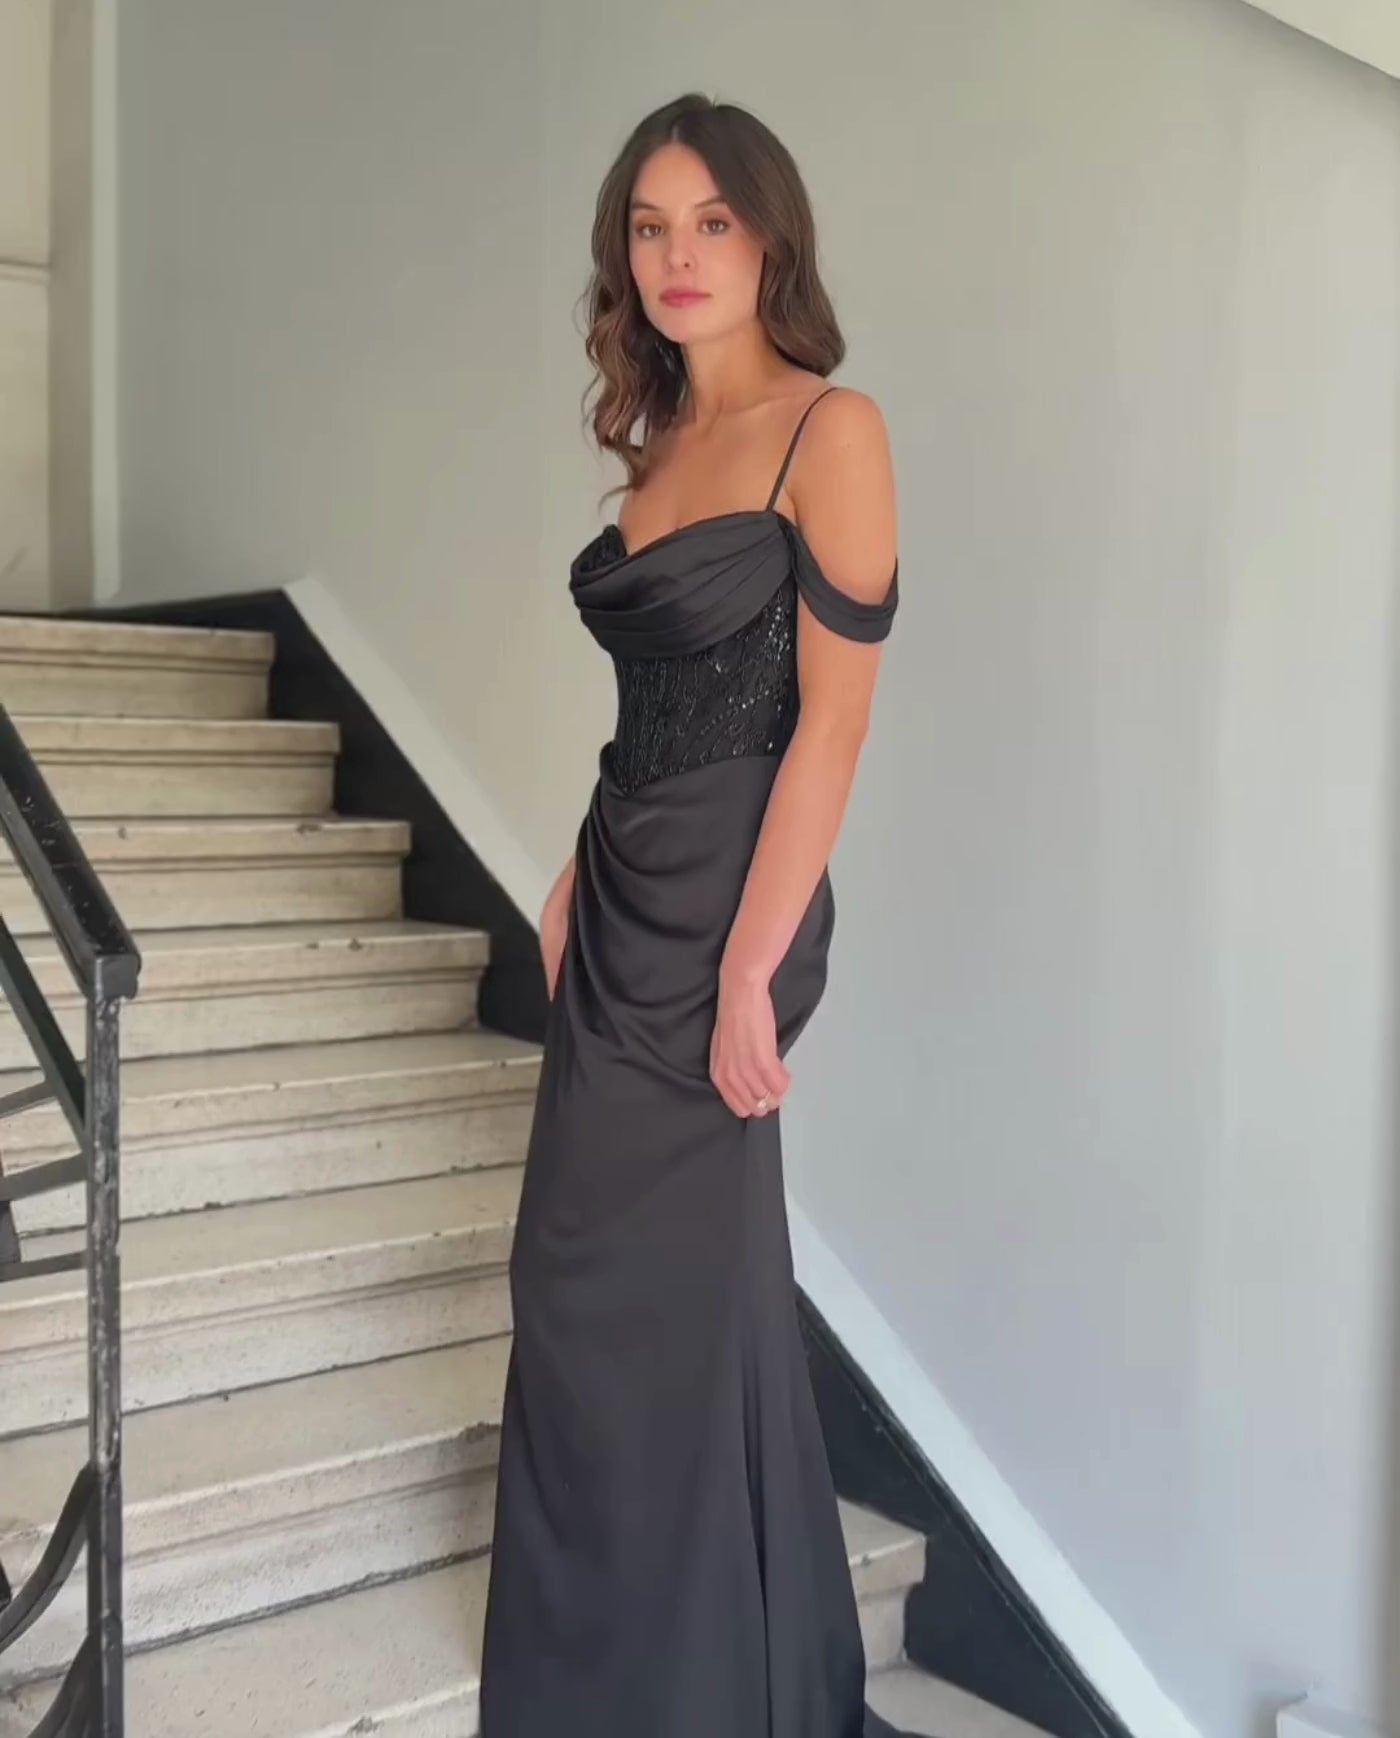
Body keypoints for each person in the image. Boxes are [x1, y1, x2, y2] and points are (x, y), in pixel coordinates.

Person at [480, 91, 907, 1738]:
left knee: (672, 1282)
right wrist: (573, 869)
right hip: (627, 878)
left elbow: (832, 724)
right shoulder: (657, 448)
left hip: (740, 901)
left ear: (769, 235)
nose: (679, 255)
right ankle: (626, 1659)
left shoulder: (831, 430)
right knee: (579, 1278)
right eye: (650, 228)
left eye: (711, 222)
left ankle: (705, 1685)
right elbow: (652, 709)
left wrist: (748, 968)